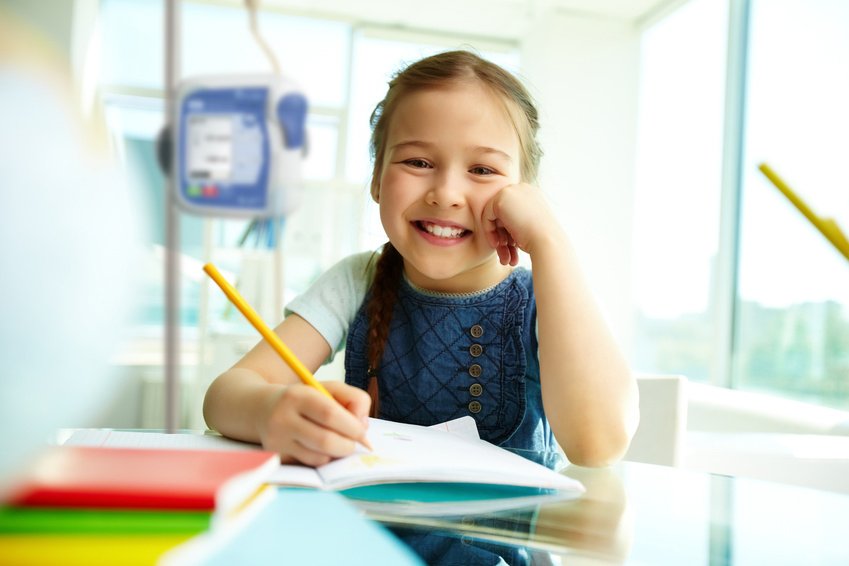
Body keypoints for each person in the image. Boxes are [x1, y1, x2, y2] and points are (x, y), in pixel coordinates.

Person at [203, 50, 639, 468]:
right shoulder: (359, 280)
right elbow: (224, 397)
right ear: (376, 179)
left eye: (483, 170)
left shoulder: (546, 296)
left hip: (506, 543)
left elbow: (596, 446)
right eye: (417, 161)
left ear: (525, 196)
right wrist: (270, 410)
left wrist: (549, 241)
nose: (446, 193)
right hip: (373, 537)